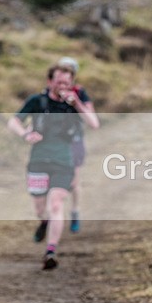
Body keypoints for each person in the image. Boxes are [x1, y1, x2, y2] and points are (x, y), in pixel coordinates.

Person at [7, 59, 99, 270]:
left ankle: (51, 251)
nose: (63, 87)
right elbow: (13, 121)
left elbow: (94, 124)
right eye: (59, 82)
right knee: (41, 209)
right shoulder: (36, 101)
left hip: (63, 160)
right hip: (38, 160)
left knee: (56, 203)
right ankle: (44, 222)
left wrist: (76, 103)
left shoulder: (74, 103)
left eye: (67, 83)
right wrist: (25, 134)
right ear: (50, 81)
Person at [53, 57, 93, 233]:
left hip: (74, 141)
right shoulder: (48, 93)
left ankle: (75, 212)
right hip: (52, 144)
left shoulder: (80, 93)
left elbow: (91, 117)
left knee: (74, 182)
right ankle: (54, 215)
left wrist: (76, 102)